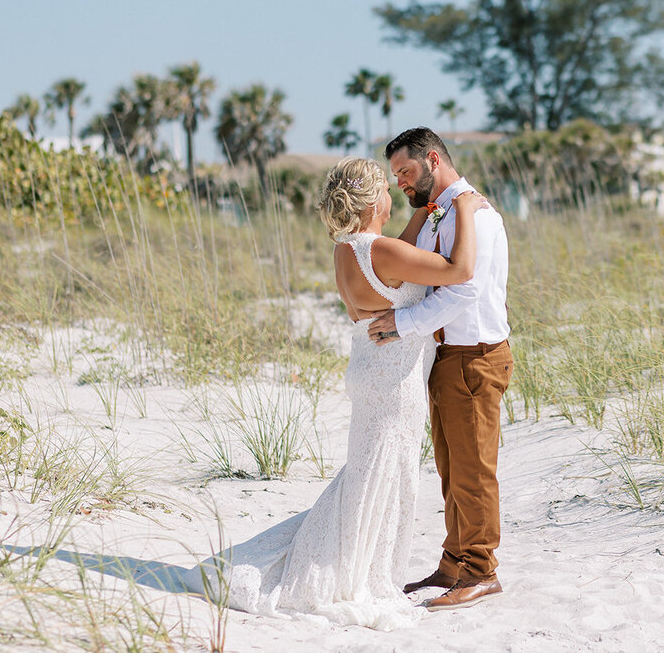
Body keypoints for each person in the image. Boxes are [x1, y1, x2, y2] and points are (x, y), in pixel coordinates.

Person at [182, 156, 483, 630]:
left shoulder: (350, 249)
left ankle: (355, 563)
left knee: (367, 477)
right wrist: (462, 201)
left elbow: (396, 258)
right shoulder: (383, 251)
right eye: (385, 188)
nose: (391, 194)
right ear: (372, 202)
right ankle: (360, 576)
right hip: (392, 383)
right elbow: (460, 269)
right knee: (385, 478)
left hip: (369, 372)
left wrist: (425, 212)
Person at [367, 127, 513, 612]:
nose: (402, 184)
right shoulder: (436, 214)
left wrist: (401, 324)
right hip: (446, 357)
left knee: (473, 470)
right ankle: (453, 561)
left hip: (475, 355)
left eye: (406, 172)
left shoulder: (476, 214)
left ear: (432, 159)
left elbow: (463, 288)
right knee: (450, 469)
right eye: (397, 177)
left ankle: (481, 570)